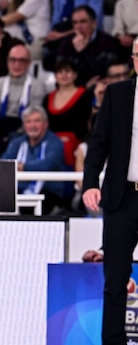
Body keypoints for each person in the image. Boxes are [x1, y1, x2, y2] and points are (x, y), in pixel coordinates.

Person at [82, 36, 138, 345]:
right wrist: (90, 183)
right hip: (121, 197)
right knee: (115, 279)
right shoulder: (117, 94)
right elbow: (98, 143)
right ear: (133, 60)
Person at [0, 105, 67, 214]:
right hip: (19, 191)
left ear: (45, 124)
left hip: (48, 192)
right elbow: (4, 163)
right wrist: (16, 167)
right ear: (24, 125)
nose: (32, 125)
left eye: (37, 121)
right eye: (28, 122)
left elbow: (47, 164)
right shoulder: (17, 142)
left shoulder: (55, 143)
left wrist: (23, 167)